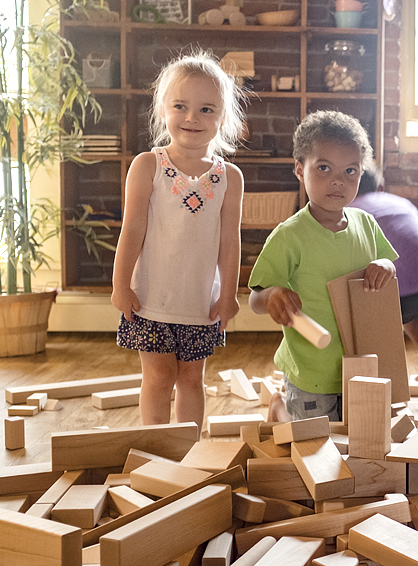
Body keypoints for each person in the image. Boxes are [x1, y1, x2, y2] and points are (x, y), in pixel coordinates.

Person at [111, 51, 245, 434]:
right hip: (151, 298)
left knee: (191, 378)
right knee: (157, 377)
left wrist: (228, 294)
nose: (192, 118)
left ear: (223, 118)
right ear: (163, 110)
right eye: (181, 106)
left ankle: (187, 450)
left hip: (201, 302)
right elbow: (132, 230)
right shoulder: (147, 165)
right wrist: (120, 284)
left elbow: (229, 242)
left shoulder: (229, 177)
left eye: (206, 109)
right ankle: (156, 443)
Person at [249, 110, 398, 422]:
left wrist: (385, 266)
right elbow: (256, 298)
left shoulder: (366, 224)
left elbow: (387, 265)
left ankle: (283, 407)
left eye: (350, 171)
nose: (337, 180)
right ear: (300, 170)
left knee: (358, 442)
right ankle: (279, 406)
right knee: (313, 448)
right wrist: (273, 294)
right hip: (311, 369)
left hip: (361, 361)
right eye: (324, 167)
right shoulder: (289, 236)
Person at [351, 166, 418, 381]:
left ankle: (381, 379)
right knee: (409, 312)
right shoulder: (401, 203)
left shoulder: (349, 211)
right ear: (380, 187)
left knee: (367, 316)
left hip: (398, 291)